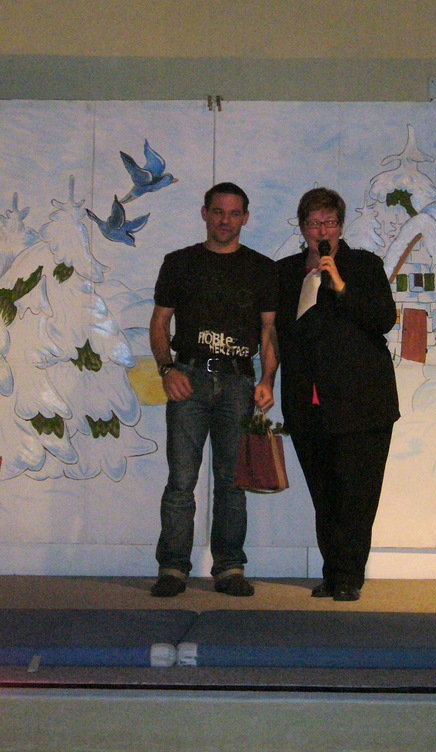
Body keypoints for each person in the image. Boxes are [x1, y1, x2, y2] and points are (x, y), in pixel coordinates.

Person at [149, 182, 278, 598]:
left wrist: (267, 379)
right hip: (188, 378)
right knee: (181, 480)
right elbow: (159, 323)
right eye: (218, 212)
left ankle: (229, 568)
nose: (225, 220)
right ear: (205, 213)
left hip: (239, 383)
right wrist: (167, 369)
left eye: (234, 213)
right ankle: (172, 568)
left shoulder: (262, 268)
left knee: (232, 482)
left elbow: (269, 331)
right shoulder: (179, 263)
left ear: (245, 217)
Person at [275, 187, 399, 601]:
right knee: (325, 494)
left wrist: (340, 284)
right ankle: (333, 573)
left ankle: (349, 576)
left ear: (341, 227)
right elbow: (276, 334)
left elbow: (382, 319)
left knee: (356, 494)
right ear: (302, 228)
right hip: (308, 403)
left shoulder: (364, 265)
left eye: (328, 222)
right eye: (313, 223)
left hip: (363, 403)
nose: (321, 230)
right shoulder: (286, 272)